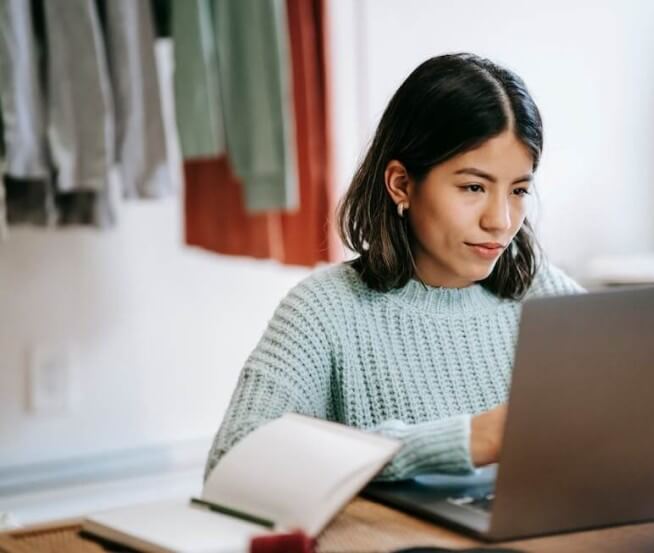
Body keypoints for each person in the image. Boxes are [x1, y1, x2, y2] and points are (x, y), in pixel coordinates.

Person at [205, 53, 584, 482]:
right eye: (473, 187)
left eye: (518, 190)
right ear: (401, 183)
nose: (500, 219)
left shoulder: (546, 295)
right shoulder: (325, 310)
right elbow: (231, 462)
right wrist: (463, 440)